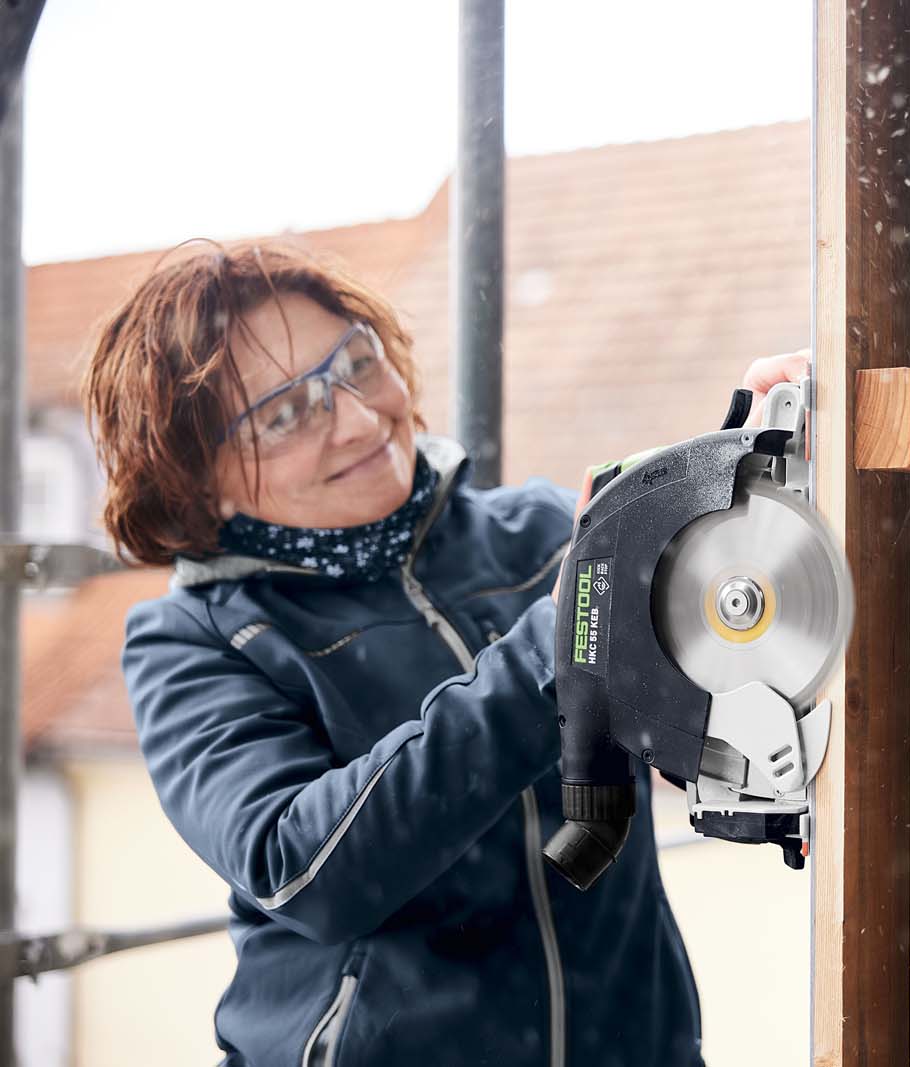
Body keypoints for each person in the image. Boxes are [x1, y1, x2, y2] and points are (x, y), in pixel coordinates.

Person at [87, 241, 809, 1067]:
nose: (359, 419)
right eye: (286, 415)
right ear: (193, 480)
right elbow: (303, 871)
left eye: (357, 363)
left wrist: (741, 484)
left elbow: (710, 705)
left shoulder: (542, 534)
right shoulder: (193, 640)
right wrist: (558, 646)